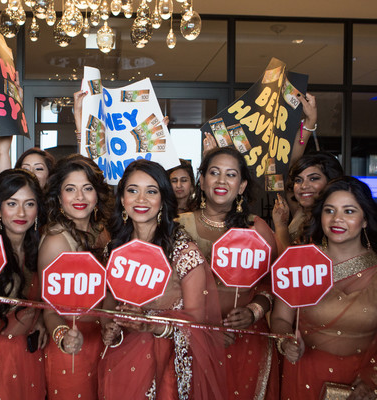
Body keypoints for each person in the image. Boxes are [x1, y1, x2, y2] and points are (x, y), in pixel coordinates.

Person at [98, 160, 227, 400]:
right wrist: (109, 327)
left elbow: (198, 323)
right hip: (120, 360)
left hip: (166, 366)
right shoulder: (114, 249)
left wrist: (150, 324)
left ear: (162, 200)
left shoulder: (183, 252)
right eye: (133, 190)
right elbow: (108, 303)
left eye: (151, 191)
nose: (141, 199)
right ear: (122, 199)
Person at [179, 147, 280, 399]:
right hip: (192, 342)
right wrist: (202, 329)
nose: (222, 180)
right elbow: (167, 290)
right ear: (201, 181)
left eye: (231, 174)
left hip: (245, 340)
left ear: (242, 185)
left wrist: (253, 312)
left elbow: (273, 285)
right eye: (214, 172)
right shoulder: (177, 226)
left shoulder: (257, 228)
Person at [271, 176, 377, 399]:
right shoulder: (300, 261)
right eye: (329, 210)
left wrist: (372, 378)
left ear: (365, 219)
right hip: (305, 375)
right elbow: (280, 319)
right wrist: (286, 341)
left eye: (349, 211)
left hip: (363, 384)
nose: (337, 219)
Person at [38, 154, 113, 399]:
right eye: (70, 189)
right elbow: (49, 310)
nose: (80, 197)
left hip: (105, 340)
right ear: (59, 197)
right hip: (72, 344)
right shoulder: (56, 240)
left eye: (87, 188)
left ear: (97, 195)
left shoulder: (103, 232)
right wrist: (62, 338)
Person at [0, 169, 48, 399]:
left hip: (31, 355)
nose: (21, 212)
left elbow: (45, 301)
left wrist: (42, 318)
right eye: (12, 203)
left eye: (29, 204)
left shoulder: (40, 248)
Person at [272, 151, 343, 248]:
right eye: (298, 180)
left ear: (330, 181)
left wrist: (281, 227)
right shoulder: (300, 212)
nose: (304, 186)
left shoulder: (333, 220)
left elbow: (289, 261)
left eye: (313, 179)